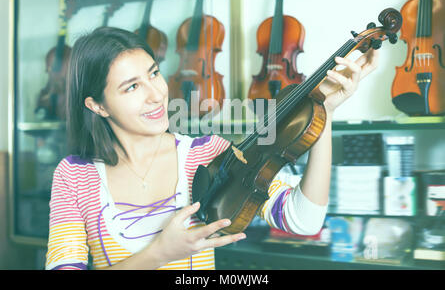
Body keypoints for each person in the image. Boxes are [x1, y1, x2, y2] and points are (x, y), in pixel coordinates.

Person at [45, 26, 378, 270]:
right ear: (97, 105)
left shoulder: (207, 154)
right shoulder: (75, 176)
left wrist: (324, 112)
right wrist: (160, 253)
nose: (156, 94)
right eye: (132, 87)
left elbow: (303, 221)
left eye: (154, 74)